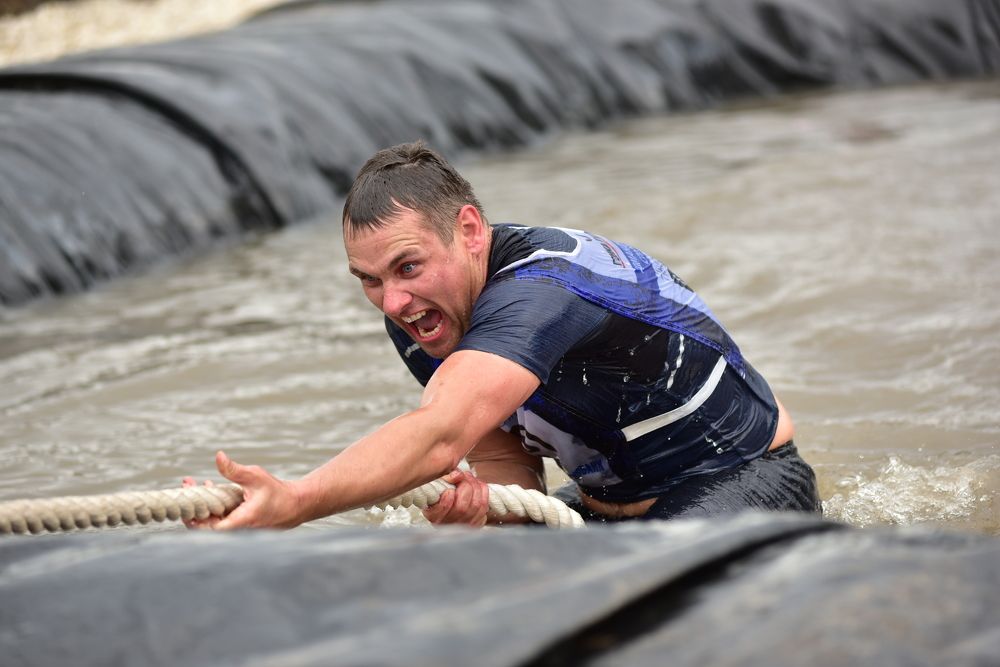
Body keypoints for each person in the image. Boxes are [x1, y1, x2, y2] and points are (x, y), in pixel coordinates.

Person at [184, 141, 821, 529]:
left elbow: (438, 437)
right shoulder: (423, 314)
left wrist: (294, 501)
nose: (395, 301)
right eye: (370, 279)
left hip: (747, 481)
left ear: (468, 230)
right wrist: (487, 507)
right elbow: (501, 457)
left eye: (407, 266)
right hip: (601, 509)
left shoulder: (545, 289)